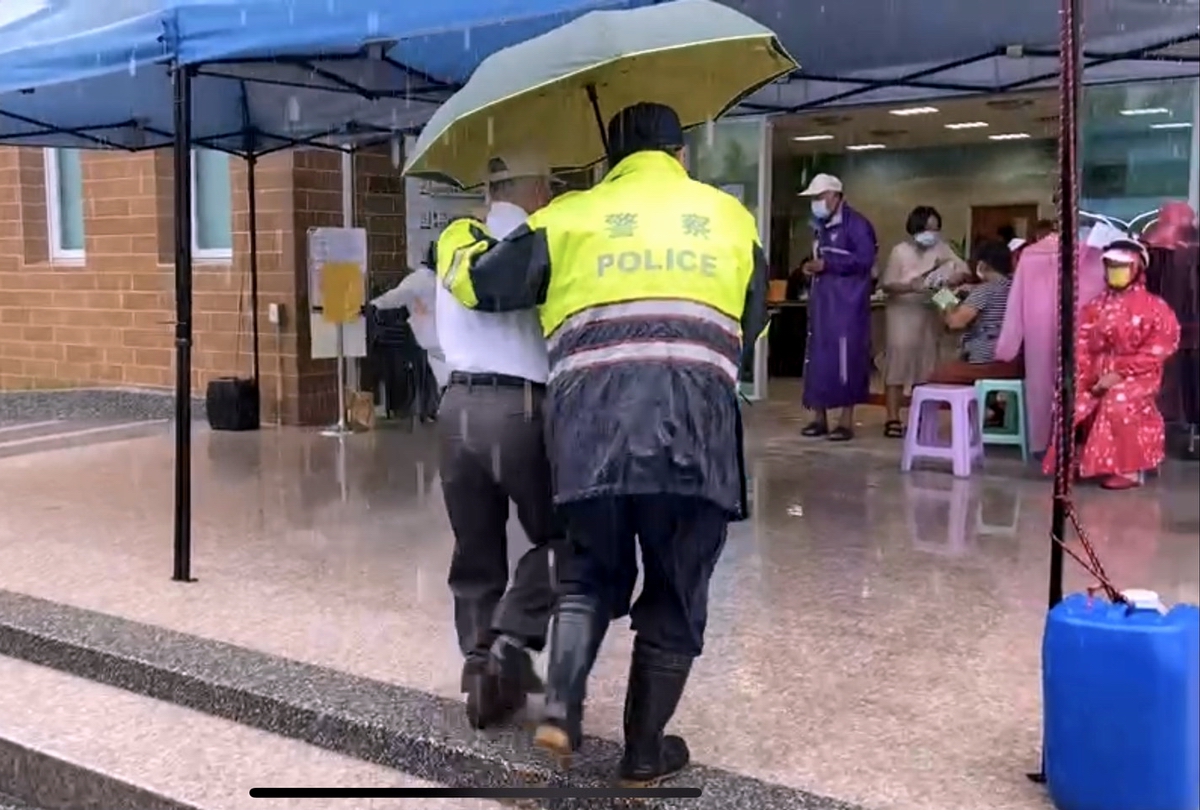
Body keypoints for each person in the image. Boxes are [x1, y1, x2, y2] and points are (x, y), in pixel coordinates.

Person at [437, 102, 766, 786]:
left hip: (590, 432)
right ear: (680, 155)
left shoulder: (569, 217)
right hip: (696, 433)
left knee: (587, 571)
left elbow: (481, 284)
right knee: (675, 591)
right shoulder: (729, 218)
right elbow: (751, 318)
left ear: (611, 162)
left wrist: (454, 241)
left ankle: (560, 705)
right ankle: (644, 749)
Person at [433, 153, 562, 730]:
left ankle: (481, 672)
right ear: (534, 185)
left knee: (475, 550)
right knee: (571, 537)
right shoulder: (544, 245)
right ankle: (513, 637)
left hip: (455, 408)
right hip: (522, 409)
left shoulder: (454, 242)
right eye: (551, 182)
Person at [1044, 239, 1180, 489]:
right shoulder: (1095, 306)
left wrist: (1117, 374)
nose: (1114, 271)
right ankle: (1081, 460)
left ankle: (1129, 469)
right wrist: (1083, 378)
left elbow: (1158, 349)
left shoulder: (1156, 308)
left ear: (1137, 269)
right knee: (1071, 398)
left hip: (1139, 375)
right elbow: (1081, 345)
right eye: (1110, 266)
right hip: (1098, 372)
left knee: (1118, 401)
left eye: (1121, 266)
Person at [994, 227, 1109, 454]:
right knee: (1085, 385)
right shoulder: (1096, 256)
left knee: (1042, 383)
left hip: (1040, 327)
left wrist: (1007, 347)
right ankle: (1086, 445)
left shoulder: (1031, 256)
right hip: (1085, 330)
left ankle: (1046, 443)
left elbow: (1016, 305)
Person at [797, 173, 878, 441]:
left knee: (846, 358)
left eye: (819, 197)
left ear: (835, 195)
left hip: (847, 304)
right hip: (823, 302)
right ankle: (818, 417)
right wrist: (812, 267)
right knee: (818, 358)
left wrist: (830, 265)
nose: (816, 203)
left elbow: (865, 260)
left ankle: (845, 420)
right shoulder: (819, 225)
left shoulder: (857, 225)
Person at [878, 205, 968, 436]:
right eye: (928, 228)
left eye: (936, 229)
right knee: (898, 363)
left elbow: (963, 272)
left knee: (926, 366)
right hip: (902, 313)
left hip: (929, 312)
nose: (932, 234)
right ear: (915, 227)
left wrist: (954, 279)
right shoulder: (900, 251)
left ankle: (921, 418)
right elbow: (887, 285)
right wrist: (910, 286)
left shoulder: (942, 248)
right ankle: (892, 418)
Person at [927, 240, 1023, 386]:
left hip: (985, 363)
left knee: (935, 372)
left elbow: (955, 323)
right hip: (1014, 363)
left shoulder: (985, 291)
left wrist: (943, 295)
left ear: (982, 265)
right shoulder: (1015, 287)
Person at [370, 241, 447, 420]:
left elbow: (393, 298)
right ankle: (431, 410)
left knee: (428, 378)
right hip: (438, 341)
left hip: (428, 340)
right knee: (432, 378)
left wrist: (372, 306)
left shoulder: (421, 279)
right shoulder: (434, 279)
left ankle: (429, 410)